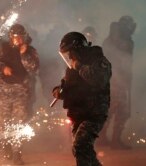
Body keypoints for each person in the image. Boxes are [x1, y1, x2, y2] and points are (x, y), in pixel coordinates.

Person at [52, 32, 111, 166]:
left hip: (94, 113)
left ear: (78, 49)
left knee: (80, 145)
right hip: (78, 113)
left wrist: (78, 66)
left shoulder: (99, 60)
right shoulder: (72, 67)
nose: (68, 57)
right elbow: (69, 87)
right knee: (82, 149)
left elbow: (98, 80)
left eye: (70, 53)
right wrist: (58, 92)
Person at [0, 23, 39, 165]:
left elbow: (33, 68)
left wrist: (23, 54)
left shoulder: (30, 51)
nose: (18, 40)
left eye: (20, 37)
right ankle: (6, 148)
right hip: (3, 90)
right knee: (2, 123)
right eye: (15, 37)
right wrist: (2, 67)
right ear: (10, 37)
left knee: (19, 123)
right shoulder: (3, 49)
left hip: (20, 91)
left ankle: (17, 152)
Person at [100, 15, 136, 149]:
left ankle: (105, 139)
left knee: (113, 111)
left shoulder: (113, 39)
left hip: (116, 81)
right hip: (115, 81)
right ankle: (111, 140)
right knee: (121, 111)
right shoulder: (120, 40)